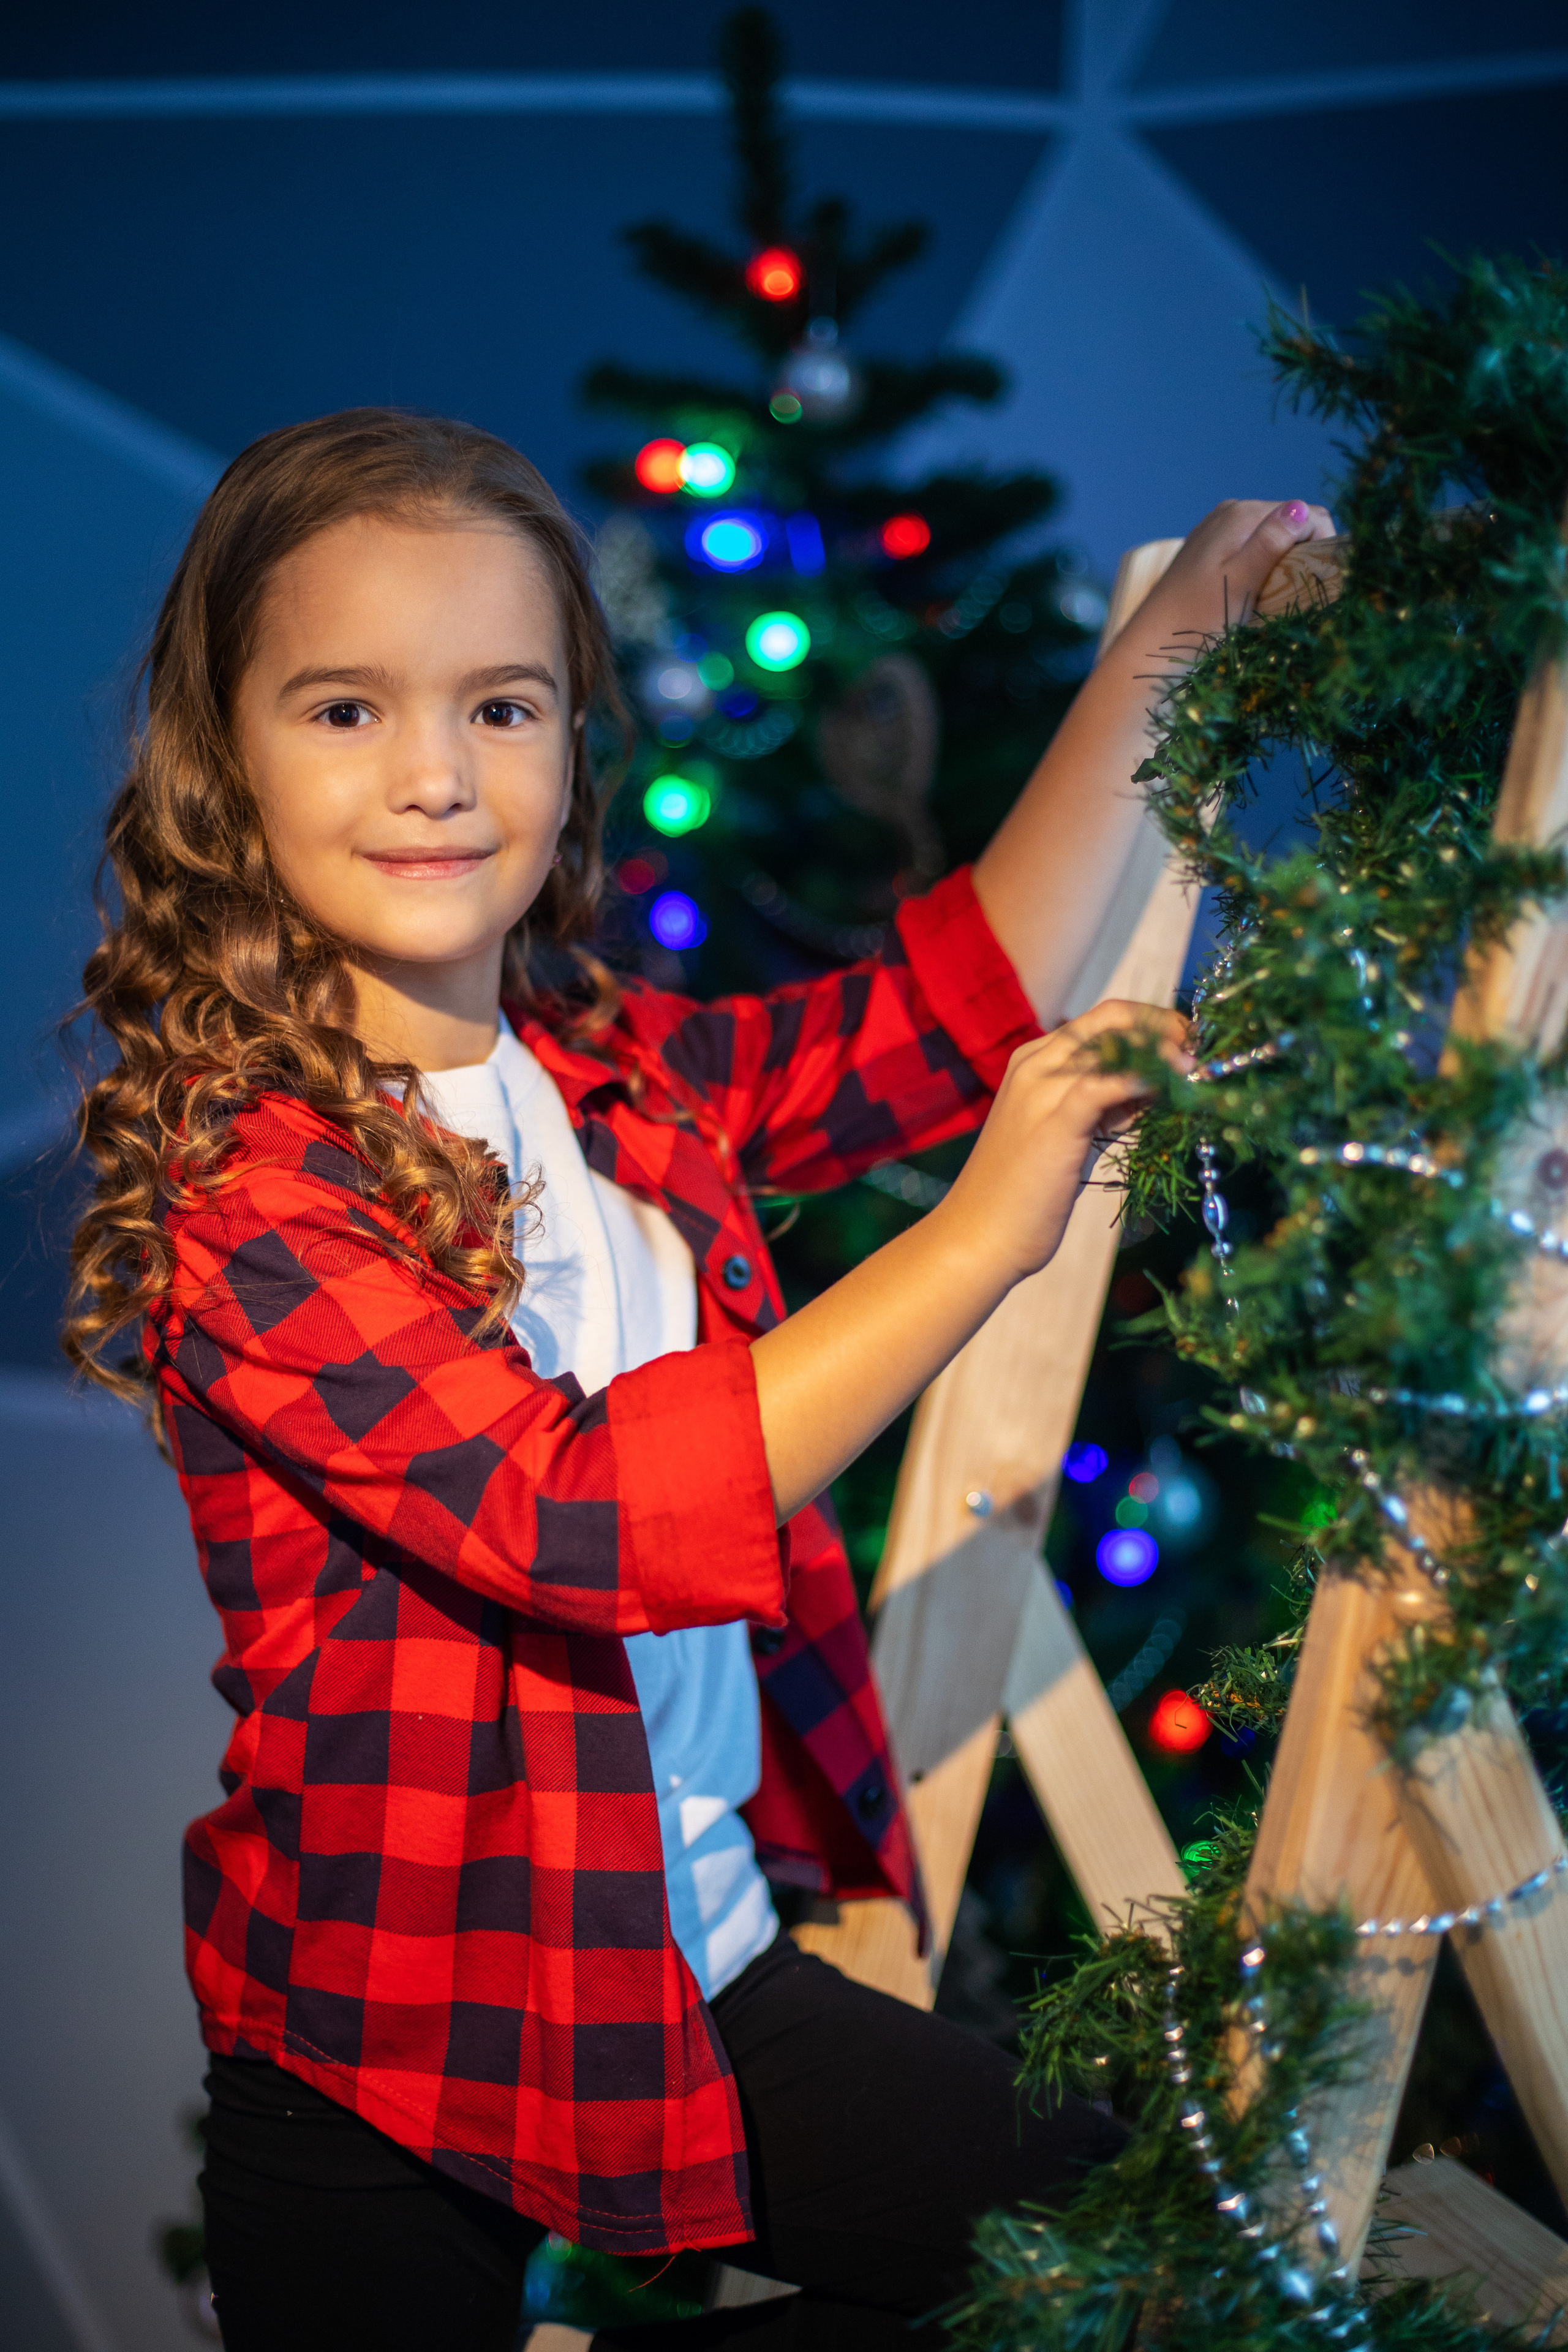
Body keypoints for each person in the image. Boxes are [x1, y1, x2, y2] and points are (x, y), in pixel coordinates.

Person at [64, 409, 1333, 2350]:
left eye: (502, 706)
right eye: (344, 710)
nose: (433, 776)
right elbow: (581, 1513)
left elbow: (944, 1004)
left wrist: (1163, 657)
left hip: (688, 1981)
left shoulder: (601, 1070)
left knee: (1141, 2267)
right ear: (223, 762)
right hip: (385, 2051)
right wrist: (979, 1237)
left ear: (576, 743)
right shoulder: (253, 1185)